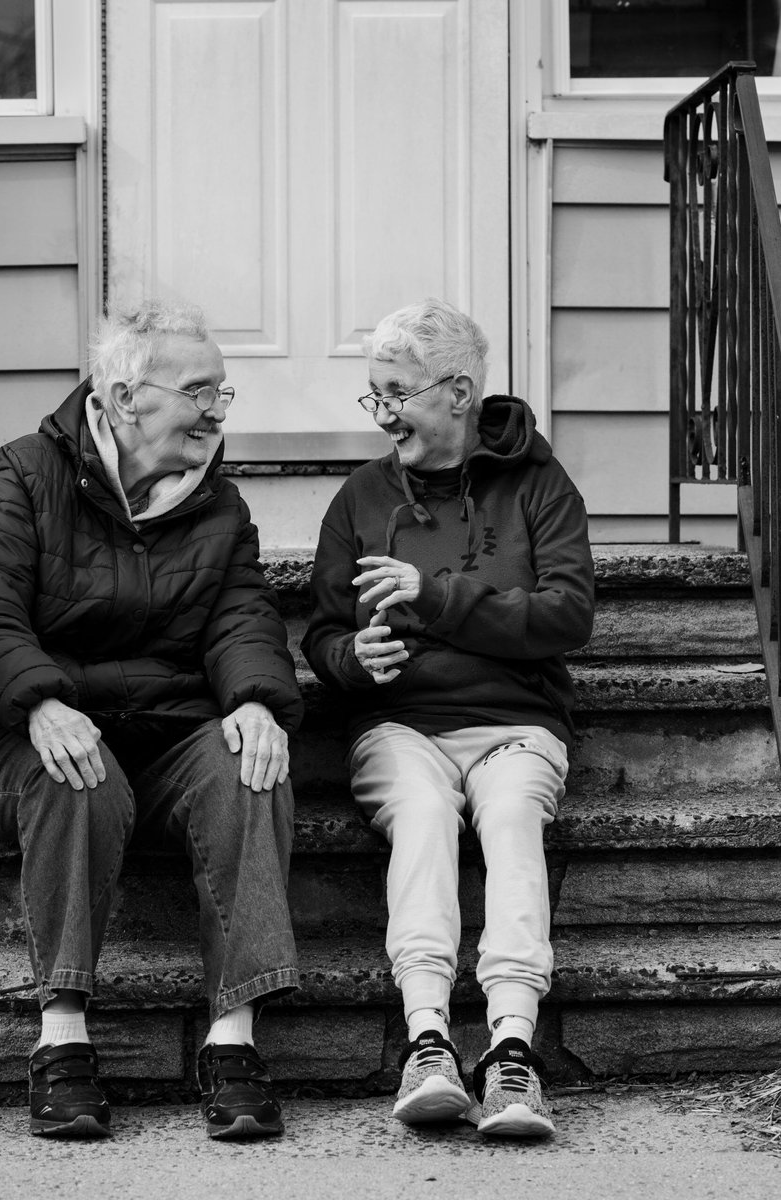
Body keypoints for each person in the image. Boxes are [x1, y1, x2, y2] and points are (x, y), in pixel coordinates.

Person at [0, 301, 303, 1141]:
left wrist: (254, 700)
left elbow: (243, 620)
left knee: (250, 761)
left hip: (164, 734)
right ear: (126, 396)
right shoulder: (29, 473)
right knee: (77, 773)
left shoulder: (219, 505)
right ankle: (62, 1039)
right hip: (27, 737)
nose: (217, 410)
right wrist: (38, 698)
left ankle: (232, 1040)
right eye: (199, 390)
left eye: (223, 392)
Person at [302, 298, 594, 1137]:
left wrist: (437, 597)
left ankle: (510, 1051)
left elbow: (567, 615)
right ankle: (426, 1039)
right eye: (373, 394)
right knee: (425, 815)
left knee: (508, 818)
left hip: (516, 722)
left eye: (395, 392)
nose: (381, 412)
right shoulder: (359, 499)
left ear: (458, 392)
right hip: (398, 727)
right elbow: (321, 634)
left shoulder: (539, 486)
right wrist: (350, 661)